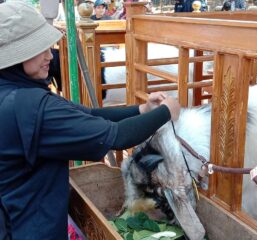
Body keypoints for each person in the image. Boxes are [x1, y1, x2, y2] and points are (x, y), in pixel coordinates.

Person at [0, 1, 180, 239]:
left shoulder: (13, 92)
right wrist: (167, 111)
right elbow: (118, 136)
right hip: (29, 225)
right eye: (38, 49)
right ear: (15, 56)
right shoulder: (33, 108)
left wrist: (142, 109)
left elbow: (89, 115)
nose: (48, 56)